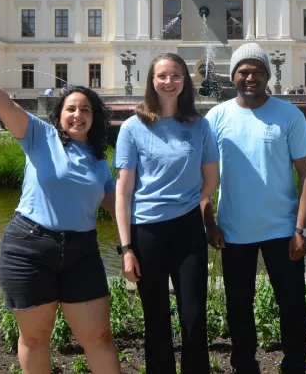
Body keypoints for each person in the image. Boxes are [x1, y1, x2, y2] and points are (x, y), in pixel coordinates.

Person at [0, 39, 121, 374]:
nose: (78, 114)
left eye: (86, 109)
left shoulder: (97, 160)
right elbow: (3, 103)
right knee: (36, 337)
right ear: (59, 115)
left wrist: (155, 235)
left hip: (82, 253)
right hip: (29, 249)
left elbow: (118, 207)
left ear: (95, 119)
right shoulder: (39, 136)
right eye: (71, 108)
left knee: (99, 337)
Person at [203, 42, 306, 374]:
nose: (250, 77)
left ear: (267, 75)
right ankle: (245, 365)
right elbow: (205, 178)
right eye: (243, 71)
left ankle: (294, 364)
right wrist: (210, 223)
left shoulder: (288, 114)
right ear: (233, 76)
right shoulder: (217, 117)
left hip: (283, 230)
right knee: (238, 306)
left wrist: (301, 228)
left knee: (292, 304)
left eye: (257, 71)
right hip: (235, 230)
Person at [115, 53, 220, 374]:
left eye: (176, 75)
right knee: (156, 317)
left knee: (193, 316)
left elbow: (212, 179)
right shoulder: (133, 127)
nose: (169, 82)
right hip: (146, 232)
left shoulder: (199, 125)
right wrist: (126, 248)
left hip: (188, 229)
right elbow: (123, 191)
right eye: (162, 76)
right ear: (151, 81)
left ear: (185, 81)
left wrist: (188, 201)